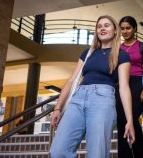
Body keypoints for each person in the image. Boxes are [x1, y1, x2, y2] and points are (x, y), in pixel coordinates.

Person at [49, 15, 135, 158]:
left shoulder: (122, 55)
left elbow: (124, 88)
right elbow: (71, 81)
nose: (102, 28)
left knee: (97, 154)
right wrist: (58, 108)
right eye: (99, 26)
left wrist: (130, 120)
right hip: (78, 99)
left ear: (115, 31)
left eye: (106, 25)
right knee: (58, 151)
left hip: (102, 101)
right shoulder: (87, 53)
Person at [116, 16, 143, 158]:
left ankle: (139, 152)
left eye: (128, 28)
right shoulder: (118, 48)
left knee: (131, 117)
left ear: (134, 29)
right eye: (122, 28)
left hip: (137, 83)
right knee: (121, 120)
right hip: (121, 84)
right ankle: (124, 155)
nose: (125, 31)